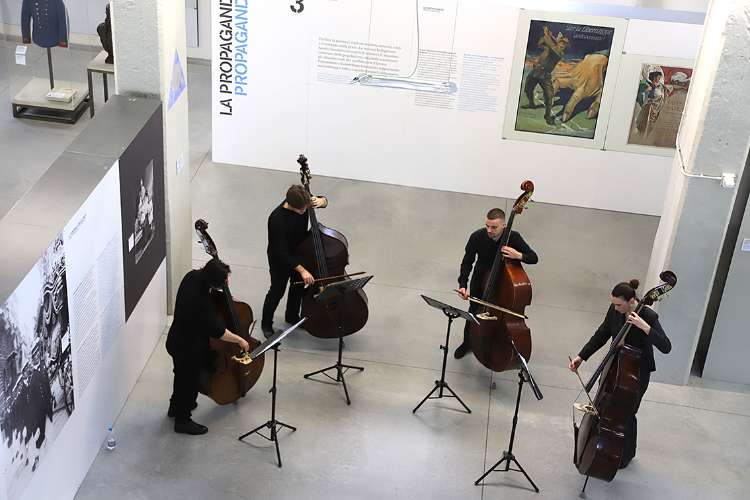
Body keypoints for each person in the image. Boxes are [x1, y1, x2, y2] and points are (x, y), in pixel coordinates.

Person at [568, 279, 671, 468]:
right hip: (615, 365)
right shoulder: (614, 310)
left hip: (636, 371)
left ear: (631, 301)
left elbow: (666, 346)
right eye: (613, 304)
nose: (615, 308)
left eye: (619, 305)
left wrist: (644, 326)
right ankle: (599, 445)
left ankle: (626, 454)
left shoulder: (648, 315)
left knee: (628, 412)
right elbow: (602, 333)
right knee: (605, 405)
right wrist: (581, 357)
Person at [166, 258, 250, 435]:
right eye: (224, 281)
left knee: (180, 375)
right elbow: (218, 331)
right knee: (190, 382)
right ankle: (183, 420)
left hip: (175, 339)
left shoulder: (192, 276)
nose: (227, 282)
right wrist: (240, 340)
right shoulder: (201, 302)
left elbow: (208, 295)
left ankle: (175, 407)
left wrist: (224, 296)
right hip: (188, 348)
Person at [454, 208, 538, 359]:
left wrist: (518, 255)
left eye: (494, 227)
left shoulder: (514, 237)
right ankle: (467, 342)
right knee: (474, 312)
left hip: (503, 284)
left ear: (504, 226)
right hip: (480, 281)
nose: (489, 230)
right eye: (487, 226)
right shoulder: (477, 236)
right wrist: (463, 285)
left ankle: (498, 343)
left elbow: (534, 258)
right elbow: (467, 262)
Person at [261, 184, 328, 338]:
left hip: (299, 252)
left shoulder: (303, 199)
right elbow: (280, 252)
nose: (305, 211)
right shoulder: (277, 219)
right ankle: (266, 323)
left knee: (297, 287)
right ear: (291, 205)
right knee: (277, 291)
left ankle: (291, 316)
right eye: (302, 210)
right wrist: (302, 270)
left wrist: (322, 201)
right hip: (280, 259)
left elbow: (322, 201)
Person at [523, 25, 569, 125]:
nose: (563, 45)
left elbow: (550, 45)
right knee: (528, 89)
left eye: (565, 44)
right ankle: (531, 104)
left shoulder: (559, 53)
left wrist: (547, 34)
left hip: (545, 76)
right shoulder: (550, 48)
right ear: (558, 42)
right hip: (535, 72)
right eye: (561, 42)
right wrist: (547, 36)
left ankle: (547, 116)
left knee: (549, 96)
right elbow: (540, 44)